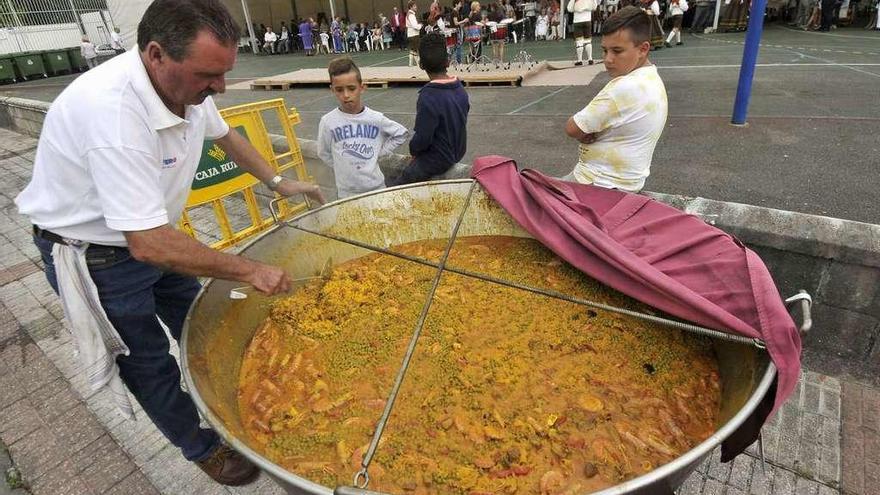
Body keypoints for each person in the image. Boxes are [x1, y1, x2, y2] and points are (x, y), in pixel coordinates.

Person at [14, 0, 324, 487]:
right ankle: (200, 445)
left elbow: (225, 136)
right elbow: (148, 244)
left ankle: (243, 393)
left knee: (201, 322)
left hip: (153, 236)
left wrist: (277, 181)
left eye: (224, 74)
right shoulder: (113, 114)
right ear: (156, 54)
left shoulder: (186, 87)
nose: (219, 87)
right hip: (98, 256)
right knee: (148, 361)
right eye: (209, 75)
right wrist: (250, 270)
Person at [562, 6, 667, 192]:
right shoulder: (652, 79)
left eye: (617, 51)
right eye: (604, 51)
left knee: (526, 195)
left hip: (596, 183)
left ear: (643, 49)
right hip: (626, 182)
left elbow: (572, 128)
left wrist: (584, 133)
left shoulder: (623, 88)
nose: (608, 59)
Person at [317, 58, 408, 198]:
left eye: (351, 88)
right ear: (332, 90)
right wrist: (342, 166)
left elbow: (401, 133)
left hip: (376, 189)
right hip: (346, 193)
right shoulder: (328, 122)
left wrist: (380, 152)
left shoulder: (375, 118)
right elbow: (323, 152)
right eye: (339, 90)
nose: (346, 95)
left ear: (362, 87)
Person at [388, 33, 470, 186]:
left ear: (421, 65)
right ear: (447, 61)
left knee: (401, 180)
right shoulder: (460, 89)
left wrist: (414, 150)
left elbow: (423, 138)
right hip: (458, 151)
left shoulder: (428, 96)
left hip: (438, 158)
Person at [568, 0, 596, 65]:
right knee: (588, 40)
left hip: (578, 21)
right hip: (587, 20)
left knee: (579, 41)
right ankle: (590, 59)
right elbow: (594, 7)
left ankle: (580, 60)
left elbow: (569, 9)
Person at [407, 1, 424, 66]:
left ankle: (410, 64)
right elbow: (414, 26)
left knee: (412, 50)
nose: (416, 7)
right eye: (414, 6)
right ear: (411, 7)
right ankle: (418, 65)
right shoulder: (411, 15)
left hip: (411, 34)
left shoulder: (410, 14)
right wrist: (420, 25)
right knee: (416, 50)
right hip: (414, 35)